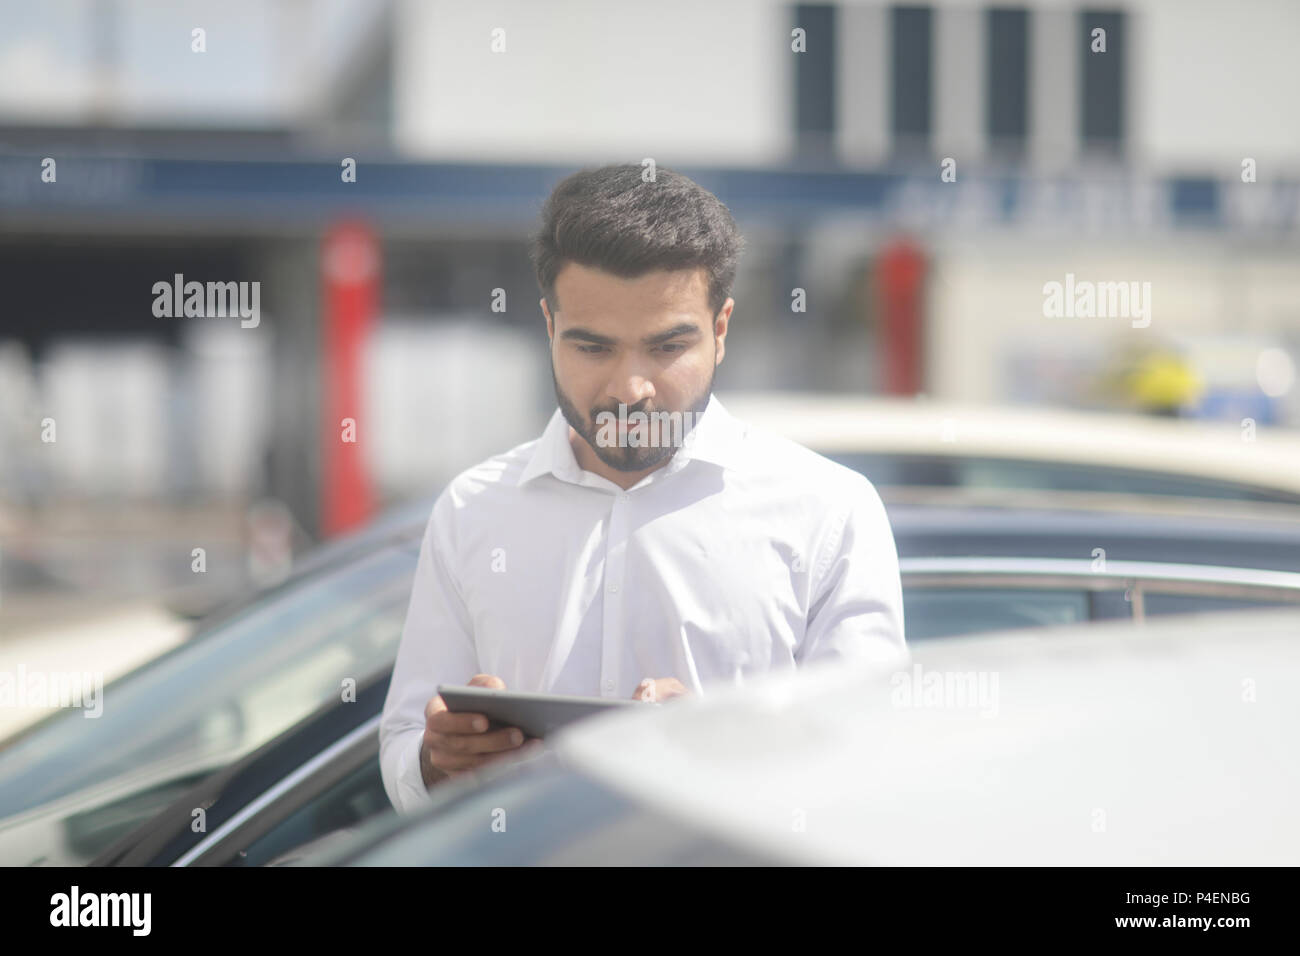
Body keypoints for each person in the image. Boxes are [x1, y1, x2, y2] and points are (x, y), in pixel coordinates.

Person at [379, 164, 906, 813]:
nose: (631, 390)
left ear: (720, 330)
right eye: (594, 349)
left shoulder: (829, 514)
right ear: (549, 327)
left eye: (665, 347)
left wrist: (733, 748)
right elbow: (405, 743)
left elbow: (875, 766)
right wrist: (439, 762)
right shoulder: (472, 510)